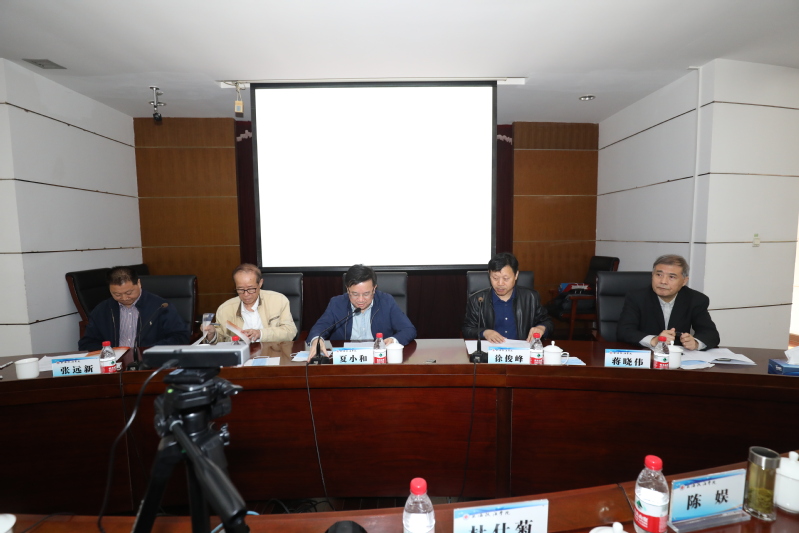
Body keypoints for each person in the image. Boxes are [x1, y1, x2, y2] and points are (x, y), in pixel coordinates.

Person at [307, 264, 417, 357]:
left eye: (366, 294)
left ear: (374, 289)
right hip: (345, 360)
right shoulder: (337, 303)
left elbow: (409, 329)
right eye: (355, 294)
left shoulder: (386, 301)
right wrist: (317, 339)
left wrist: (393, 340)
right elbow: (320, 327)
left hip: (378, 359)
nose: (360, 300)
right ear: (347, 289)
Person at [617, 254, 719, 351]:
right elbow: (624, 331)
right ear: (652, 275)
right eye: (659, 275)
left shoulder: (696, 299)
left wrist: (695, 343)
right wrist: (654, 340)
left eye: (671, 277)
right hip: (646, 355)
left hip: (679, 357)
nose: (663, 281)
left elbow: (711, 334)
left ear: (684, 281)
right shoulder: (637, 297)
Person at [78, 266, 189, 351]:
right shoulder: (102, 310)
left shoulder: (160, 307)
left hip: (149, 362)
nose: (124, 298)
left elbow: (180, 337)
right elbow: (87, 342)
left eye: (129, 293)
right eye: (117, 294)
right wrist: (109, 352)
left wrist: (148, 351)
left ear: (139, 283)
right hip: (114, 363)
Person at [463, 252, 553, 342]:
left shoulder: (531, 297)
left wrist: (541, 328)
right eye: (495, 278)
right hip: (490, 349)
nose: (500, 283)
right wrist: (485, 332)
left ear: (516, 275)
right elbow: (467, 329)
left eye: (506, 278)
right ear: (489, 275)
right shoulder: (477, 300)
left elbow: (547, 322)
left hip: (521, 349)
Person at [203, 263, 297, 343]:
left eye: (251, 289)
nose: (246, 294)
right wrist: (212, 335)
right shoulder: (225, 309)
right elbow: (220, 340)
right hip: (240, 355)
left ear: (260, 283)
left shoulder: (278, 300)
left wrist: (260, 333)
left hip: (272, 351)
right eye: (240, 289)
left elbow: (290, 332)